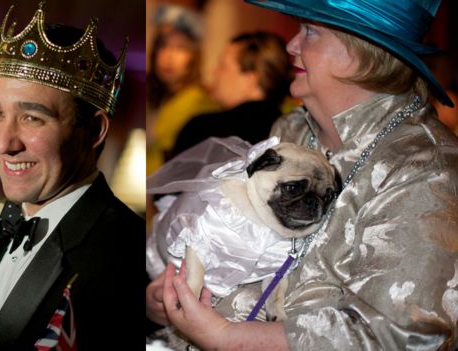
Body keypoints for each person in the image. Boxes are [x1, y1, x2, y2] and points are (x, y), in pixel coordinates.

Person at [151, 0, 458, 350]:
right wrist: (174, 295)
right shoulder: (292, 128)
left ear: (366, 50)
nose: (291, 45)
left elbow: (402, 337)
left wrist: (227, 339)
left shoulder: (427, 170)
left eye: (310, 31)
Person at [0, 3, 144, 350]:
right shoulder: (1, 239)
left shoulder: (127, 254)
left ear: (94, 131)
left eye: (32, 118)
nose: (3, 143)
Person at [171, 31, 292, 156]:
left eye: (223, 66)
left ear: (251, 80)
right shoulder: (293, 132)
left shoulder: (202, 129)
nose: (215, 72)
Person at [146, 3, 219, 175]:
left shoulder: (198, 102)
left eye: (181, 47)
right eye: (163, 46)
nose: (169, 57)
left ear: (194, 55)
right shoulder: (160, 97)